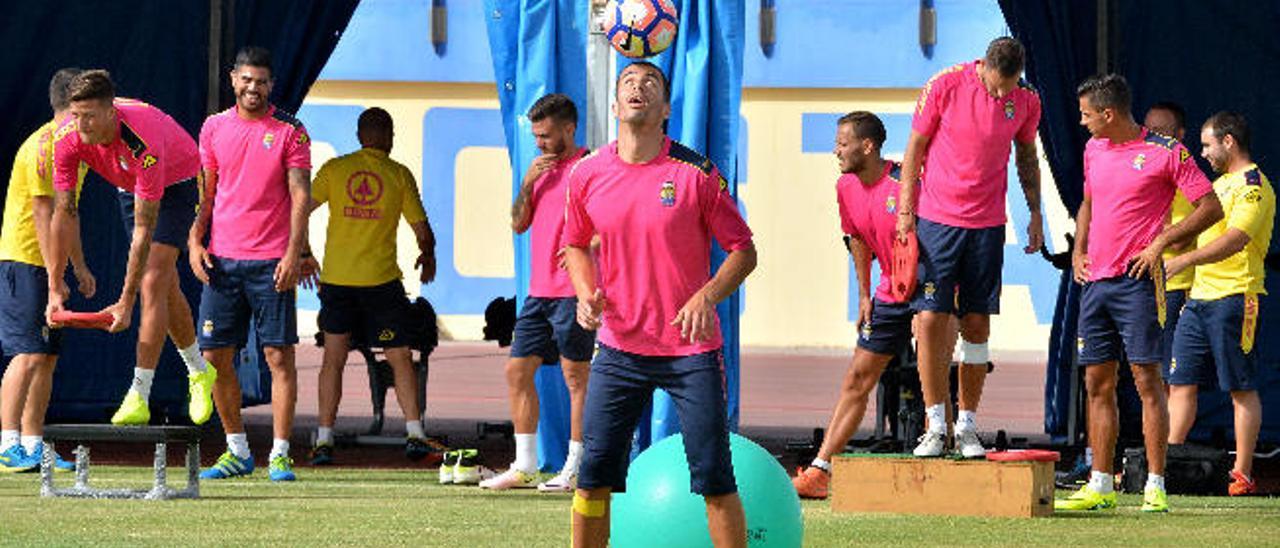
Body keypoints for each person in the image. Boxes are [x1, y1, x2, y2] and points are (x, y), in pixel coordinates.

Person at [564, 61, 756, 548]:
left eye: (650, 83)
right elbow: (574, 244)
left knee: (714, 474)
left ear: (666, 107)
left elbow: (744, 250)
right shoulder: (587, 173)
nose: (638, 87)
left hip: (690, 351)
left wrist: (707, 295)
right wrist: (587, 294)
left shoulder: (695, 172)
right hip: (619, 349)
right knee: (592, 477)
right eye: (628, 82)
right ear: (614, 104)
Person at [1058, 74, 1221, 513]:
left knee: (1148, 381)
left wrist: (1160, 243)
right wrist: (1078, 249)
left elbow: (1211, 207)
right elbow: (1089, 202)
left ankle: (1155, 484)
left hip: (1138, 282)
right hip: (1095, 284)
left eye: (1087, 115)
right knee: (1097, 382)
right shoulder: (1094, 149)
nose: (1081, 122)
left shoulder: (1166, 152)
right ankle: (1099, 483)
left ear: (1109, 114)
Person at [895, 37, 1044, 458]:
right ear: (985, 68)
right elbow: (914, 153)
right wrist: (906, 216)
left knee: (977, 324)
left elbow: (1027, 157)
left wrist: (1035, 213)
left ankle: (967, 427)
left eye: (1009, 89)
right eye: (997, 87)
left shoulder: (1027, 100)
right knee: (929, 320)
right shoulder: (945, 85)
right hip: (937, 221)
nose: (1002, 96)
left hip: (987, 226)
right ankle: (935, 424)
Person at [48, 70, 214, 427]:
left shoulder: (143, 141)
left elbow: (143, 230)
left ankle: (139, 392)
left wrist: (125, 303)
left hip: (178, 180)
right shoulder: (67, 138)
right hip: (129, 185)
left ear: (112, 112)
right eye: (76, 115)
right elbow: (64, 211)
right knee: (165, 286)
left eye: (90, 115)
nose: (82, 124)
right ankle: (200, 372)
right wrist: (54, 286)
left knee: (153, 280)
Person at [191, 47, 314, 482]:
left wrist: (294, 253)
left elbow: (301, 197)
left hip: (270, 263)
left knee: (278, 356)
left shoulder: (291, 131)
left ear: (271, 85)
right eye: (246, 79)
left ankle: (280, 454)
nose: (253, 88)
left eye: (261, 81)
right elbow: (206, 193)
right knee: (213, 357)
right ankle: (237, 450)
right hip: (222, 261)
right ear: (233, 80)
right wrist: (193, 241)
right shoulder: (213, 127)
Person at [307, 107, 442, 465]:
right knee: (399, 358)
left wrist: (304, 251)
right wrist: (428, 256)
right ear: (389, 136)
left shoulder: (334, 170)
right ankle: (415, 434)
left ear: (359, 135)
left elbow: (297, 210)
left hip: (337, 282)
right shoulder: (398, 174)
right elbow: (423, 231)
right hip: (381, 284)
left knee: (332, 360)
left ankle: (323, 440)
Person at [791, 112, 911, 499]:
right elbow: (856, 237)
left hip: (932, 291)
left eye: (842, 144)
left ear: (868, 146)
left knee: (934, 381)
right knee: (857, 378)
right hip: (889, 293)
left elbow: (940, 237)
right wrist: (864, 293)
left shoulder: (907, 181)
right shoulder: (845, 186)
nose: (835, 150)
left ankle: (939, 465)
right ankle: (820, 470)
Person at [480, 93, 594, 491]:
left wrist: (589, 247)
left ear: (569, 129)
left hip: (573, 290)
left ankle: (576, 467)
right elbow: (517, 224)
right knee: (516, 370)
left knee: (576, 377)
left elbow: (617, 222)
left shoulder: (590, 167)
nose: (540, 143)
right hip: (538, 291)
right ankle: (525, 465)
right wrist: (527, 183)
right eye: (536, 136)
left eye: (546, 135)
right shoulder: (539, 170)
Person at [1165, 112, 1273, 497]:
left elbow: (1236, 239)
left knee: (1239, 387)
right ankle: (1167, 465)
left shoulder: (1253, 185)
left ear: (1229, 141)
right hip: (1198, 299)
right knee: (1179, 383)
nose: (1203, 151)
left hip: (1235, 297)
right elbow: (1194, 235)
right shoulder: (1218, 185)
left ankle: (1242, 473)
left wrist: (1185, 260)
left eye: (1208, 144)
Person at [0, 69, 92, 472]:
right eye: (86, 107)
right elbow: (43, 215)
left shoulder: (75, 149)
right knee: (28, 352)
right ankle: (7, 444)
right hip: (25, 261)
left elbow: (66, 214)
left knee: (47, 358)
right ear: (72, 106)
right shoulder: (44, 146)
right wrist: (54, 281)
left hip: (46, 264)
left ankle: (34, 444)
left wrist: (79, 267)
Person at [1145, 101, 1194, 382]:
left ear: (1179, 136)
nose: (1152, 139)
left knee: (1168, 377)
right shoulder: (1142, 170)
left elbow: (1175, 241)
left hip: (1172, 288)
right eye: (1148, 131)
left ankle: (1168, 428)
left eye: (1161, 132)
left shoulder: (1184, 178)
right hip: (1143, 286)